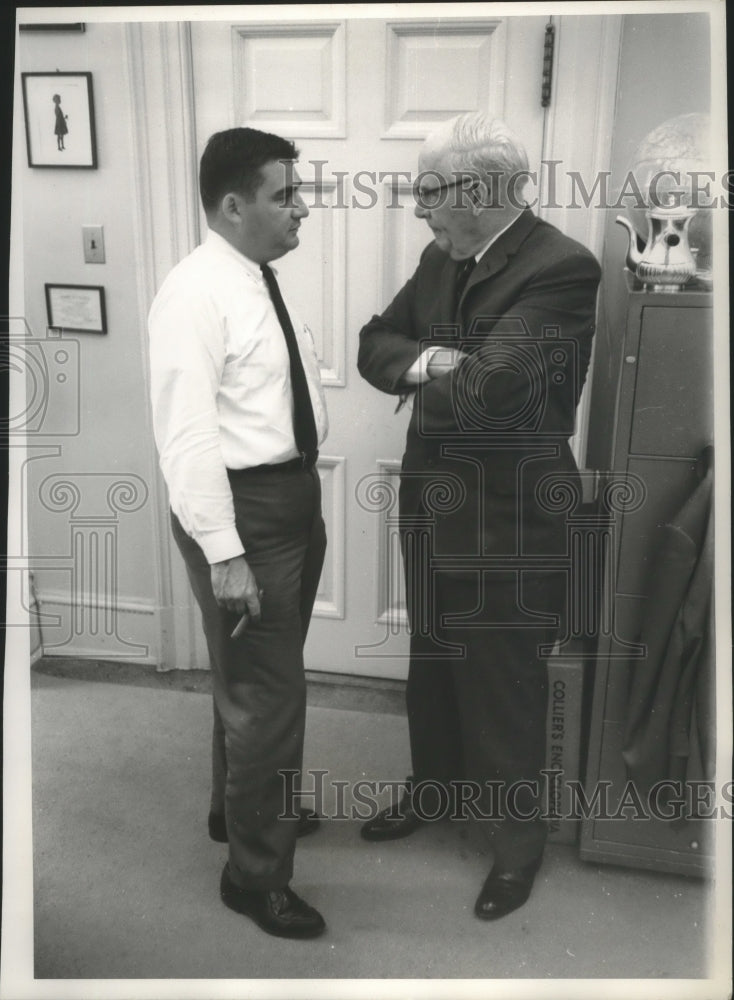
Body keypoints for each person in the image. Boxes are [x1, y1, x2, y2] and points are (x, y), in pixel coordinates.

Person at [357, 111, 601, 920]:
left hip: (511, 516)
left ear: (482, 190)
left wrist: (445, 376)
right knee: (432, 660)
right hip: (435, 497)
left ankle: (516, 848)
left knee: (503, 682)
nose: (419, 210)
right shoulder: (439, 255)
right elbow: (375, 341)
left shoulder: (563, 268)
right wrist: (431, 359)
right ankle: (435, 792)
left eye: (429, 193)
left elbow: (496, 392)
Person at [148, 127, 328, 939]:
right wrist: (226, 554)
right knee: (266, 699)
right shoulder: (194, 294)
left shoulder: (251, 276)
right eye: (285, 194)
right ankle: (255, 876)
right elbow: (186, 440)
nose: (302, 208)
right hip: (245, 517)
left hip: (285, 506)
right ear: (232, 205)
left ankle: (240, 811)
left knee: (255, 683)